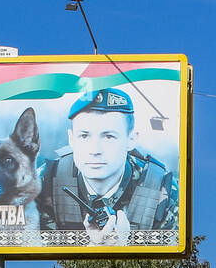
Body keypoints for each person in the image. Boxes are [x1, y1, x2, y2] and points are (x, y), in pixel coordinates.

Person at [36, 88, 176, 244]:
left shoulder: (163, 189)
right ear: (71, 139)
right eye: (84, 136)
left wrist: (124, 245)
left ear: (131, 139)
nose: (95, 150)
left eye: (109, 136)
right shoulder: (43, 182)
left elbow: (170, 265)